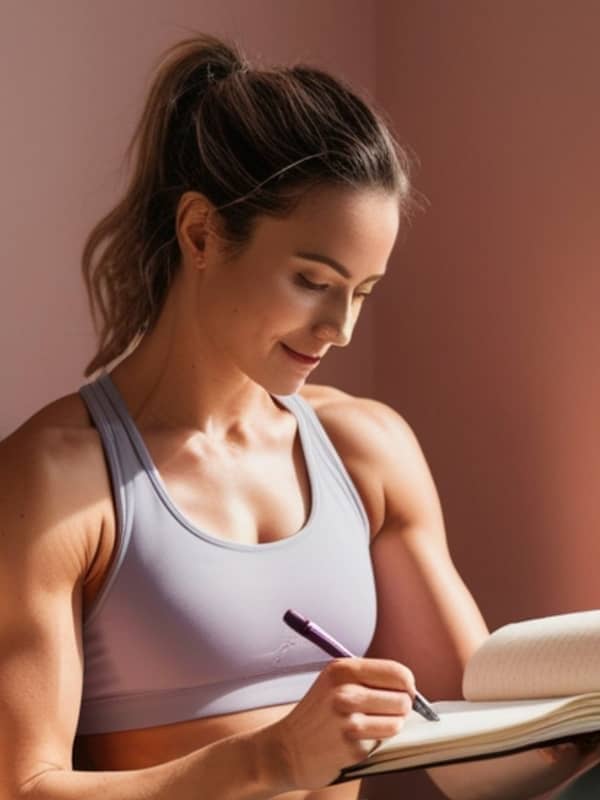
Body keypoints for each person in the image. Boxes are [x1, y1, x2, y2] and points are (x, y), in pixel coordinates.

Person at [1, 32, 598, 800]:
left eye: (362, 292)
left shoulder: (366, 450)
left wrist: (576, 728)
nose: (340, 328)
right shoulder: (53, 482)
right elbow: (22, 787)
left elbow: (476, 760)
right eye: (314, 281)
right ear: (200, 233)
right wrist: (270, 759)